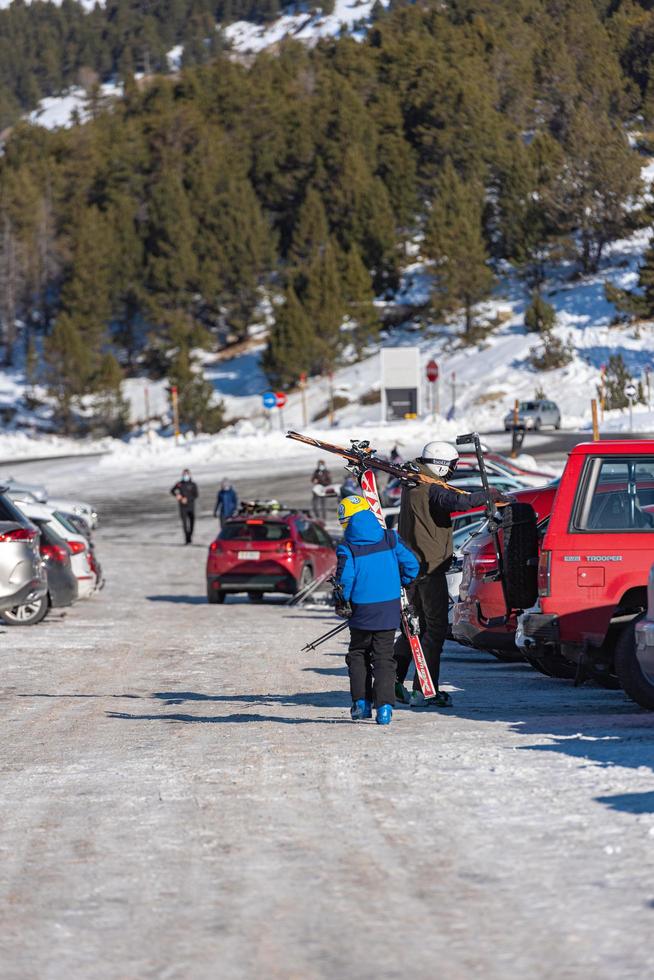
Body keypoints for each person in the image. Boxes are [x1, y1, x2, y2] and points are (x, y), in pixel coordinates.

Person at [394, 441, 506, 708]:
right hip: (429, 569)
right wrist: (488, 494)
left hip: (412, 568)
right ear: (442, 466)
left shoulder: (413, 483)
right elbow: (458, 501)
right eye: (452, 467)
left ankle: (393, 681)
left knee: (413, 627)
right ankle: (425, 689)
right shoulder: (430, 488)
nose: (453, 472)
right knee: (434, 630)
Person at [334, 495, 419, 726]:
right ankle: (385, 709)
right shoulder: (390, 538)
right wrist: (403, 580)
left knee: (358, 654)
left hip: (361, 610)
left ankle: (361, 704)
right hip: (389, 607)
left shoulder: (347, 546)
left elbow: (345, 580)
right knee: (384, 657)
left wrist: (342, 601)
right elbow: (413, 564)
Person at [170, 469, 199, 544]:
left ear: (189, 475)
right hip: (182, 507)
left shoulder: (193, 484)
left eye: (187, 474)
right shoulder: (179, 484)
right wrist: (177, 495)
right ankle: (187, 539)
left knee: (192, 523)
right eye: (184, 474)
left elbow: (196, 495)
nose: (185, 476)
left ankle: (190, 535)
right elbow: (172, 491)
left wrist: (188, 499)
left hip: (191, 506)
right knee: (185, 524)